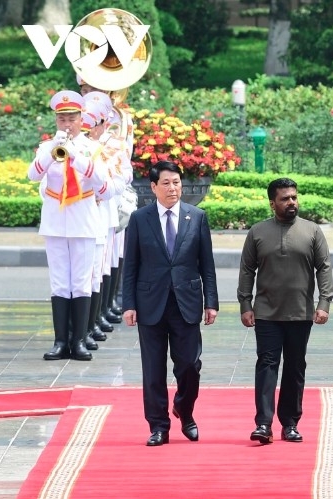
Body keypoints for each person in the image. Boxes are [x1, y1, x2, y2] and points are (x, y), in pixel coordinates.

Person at [121, 160, 219, 447]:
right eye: (166, 183)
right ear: (153, 187)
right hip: (150, 302)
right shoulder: (140, 219)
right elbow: (131, 266)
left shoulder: (197, 217)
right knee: (153, 369)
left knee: (190, 365)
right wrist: (129, 304)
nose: (173, 188)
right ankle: (158, 426)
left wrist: (210, 301)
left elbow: (207, 265)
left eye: (176, 182)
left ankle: (185, 411)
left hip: (186, 302)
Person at [237, 177, 333, 444]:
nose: (292, 202)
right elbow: (247, 270)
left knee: (294, 367)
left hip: (300, 313)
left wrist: (324, 303)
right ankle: (264, 424)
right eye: (285, 199)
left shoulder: (312, 231)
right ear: (272, 203)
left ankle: (290, 423)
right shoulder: (257, 232)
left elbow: (323, 268)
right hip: (266, 312)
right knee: (267, 365)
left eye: (294, 197)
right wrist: (245, 304)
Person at [27, 90, 109, 361]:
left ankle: (79, 340)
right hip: (54, 221)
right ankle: (60, 341)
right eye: (62, 119)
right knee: (60, 283)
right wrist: (53, 152)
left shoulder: (92, 148)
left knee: (82, 283)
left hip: (83, 221)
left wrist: (76, 155)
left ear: (80, 118)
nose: (67, 124)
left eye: (71, 118)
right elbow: (32, 174)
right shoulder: (47, 146)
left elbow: (100, 179)